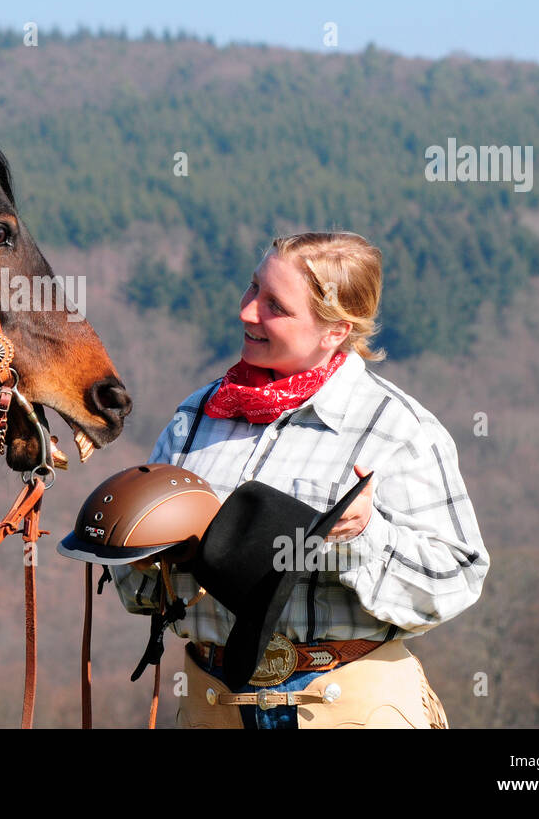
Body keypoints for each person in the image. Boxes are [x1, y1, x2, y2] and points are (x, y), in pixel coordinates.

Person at [112, 231, 489, 729]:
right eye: (252, 289)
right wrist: (136, 549)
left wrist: (363, 538)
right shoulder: (196, 418)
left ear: (335, 330)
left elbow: (457, 578)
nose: (247, 312)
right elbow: (138, 594)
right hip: (212, 707)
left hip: (348, 708)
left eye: (276, 306)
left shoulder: (396, 429)